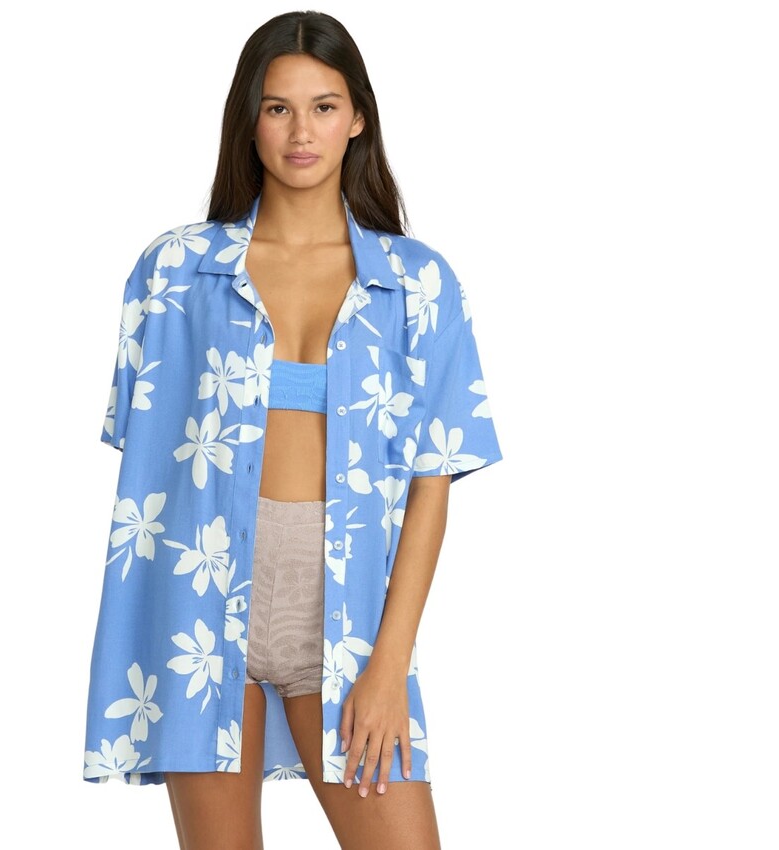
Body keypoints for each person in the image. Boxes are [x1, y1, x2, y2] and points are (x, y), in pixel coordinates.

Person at [83, 10, 503, 849]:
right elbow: (155, 472)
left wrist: (388, 664)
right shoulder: (175, 272)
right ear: (250, 121)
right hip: (200, 601)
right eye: (278, 108)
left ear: (358, 120)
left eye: (323, 106)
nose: (301, 132)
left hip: (344, 611)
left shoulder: (417, 285)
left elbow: (433, 483)